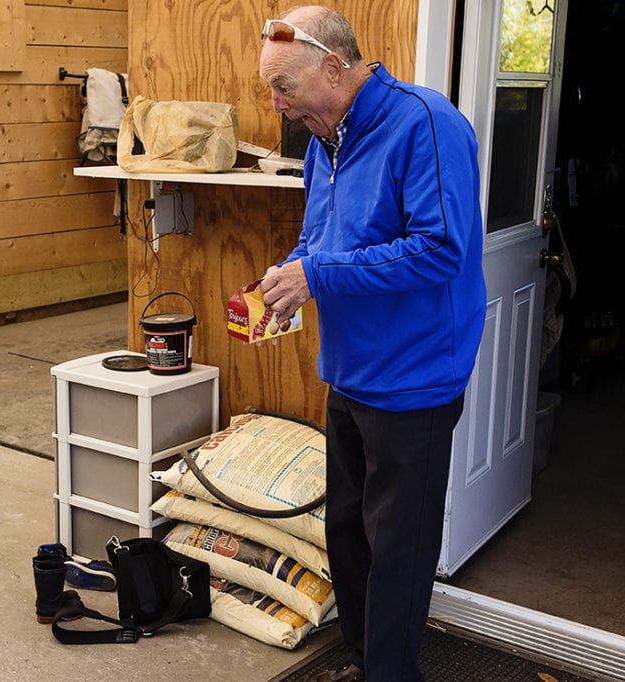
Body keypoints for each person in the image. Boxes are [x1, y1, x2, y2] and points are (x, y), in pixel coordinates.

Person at [257, 6, 486, 681]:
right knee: (350, 538)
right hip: (350, 375)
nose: (275, 104)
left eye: (284, 87)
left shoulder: (425, 123)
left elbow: (440, 250)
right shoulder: (325, 140)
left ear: (334, 65)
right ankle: (365, 663)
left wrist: (318, 273)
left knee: (399, 551)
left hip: (413, 382)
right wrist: (286, 279)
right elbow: (319, 240)